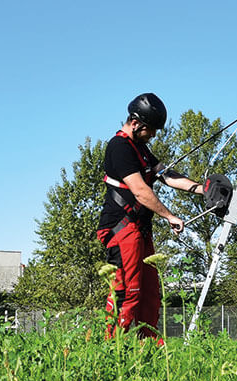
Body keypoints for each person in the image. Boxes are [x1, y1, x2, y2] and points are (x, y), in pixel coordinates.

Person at [97, 92, 204, 340]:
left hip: (140, 229)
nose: (154, 135)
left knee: (150, 295)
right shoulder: (119, 147)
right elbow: (140, 191)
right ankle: (114, 349)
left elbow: (166, 175)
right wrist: (170, 216)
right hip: (121, 228)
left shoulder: (141, 148)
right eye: (151, 130)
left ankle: (148, 348)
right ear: (136, 124)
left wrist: (201, 189)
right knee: (127, 291)